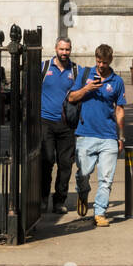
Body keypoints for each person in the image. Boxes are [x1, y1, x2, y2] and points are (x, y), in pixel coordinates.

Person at [68, 43, 126, 226]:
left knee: (106, 178)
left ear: (110, 61)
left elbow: (119, 109)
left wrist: (121, 136)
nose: (101, 66)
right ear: (96, 59)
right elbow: (71, 98)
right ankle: (83, 193)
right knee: (83, 174)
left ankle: (100, 212)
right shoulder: (85, 75)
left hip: (108, 136)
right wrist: (87, 89)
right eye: (99, 62)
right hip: (85, 134)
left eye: (105, 63)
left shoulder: (117, 81)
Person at [41, 37, 79, 214]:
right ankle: (42, 198)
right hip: (46, 121)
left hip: (67, 124)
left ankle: (59, 201)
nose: (65, 53)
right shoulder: (44, 67)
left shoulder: (76, 70)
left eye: (68, 49)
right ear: (55, 48)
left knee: (65, 164)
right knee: (47, 160)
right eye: (62, 49)